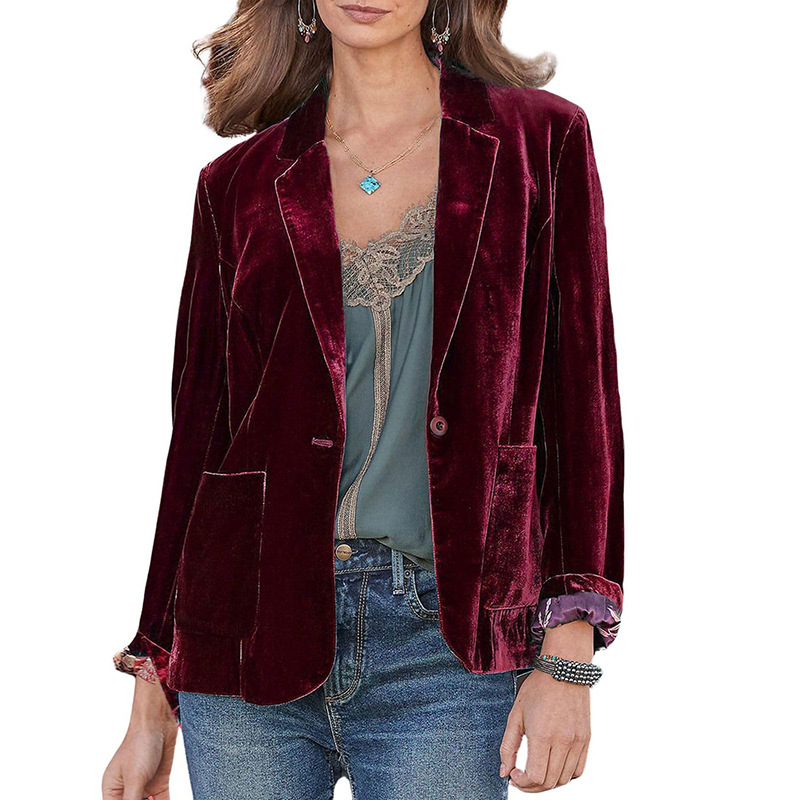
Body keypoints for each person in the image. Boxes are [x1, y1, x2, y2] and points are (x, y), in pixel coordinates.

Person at [102, 1, 625, 798]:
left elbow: (582, 408)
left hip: (447, 649)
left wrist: (569, 655)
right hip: (247, 645)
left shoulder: (539, 142)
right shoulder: (237, 185)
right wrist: (151, 696)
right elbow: (201, 448)